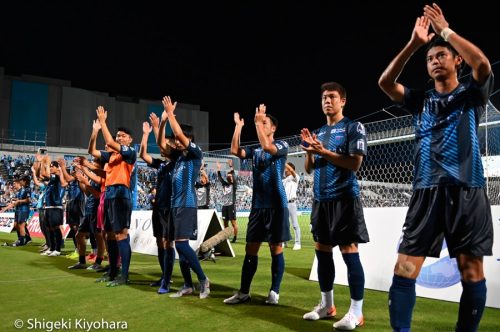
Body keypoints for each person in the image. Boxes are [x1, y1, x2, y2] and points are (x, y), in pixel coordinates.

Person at [378, 4, 494, 332]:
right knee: (403, 269)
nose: (434, 61)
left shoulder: (471, 94)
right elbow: (386, 82)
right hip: (425, 191)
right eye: (430, 58)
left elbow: (482, 64)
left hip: (466, 190)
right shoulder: (421, 101)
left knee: (471, 272)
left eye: (441, 55)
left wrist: (445, 32)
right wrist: (415, 45)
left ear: (457, 60)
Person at [300, 81, 369, 330]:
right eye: (323, 98)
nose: (327, 101)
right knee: (322, 253)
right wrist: (309, 150)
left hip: (344, 200)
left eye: (332, 97)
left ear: (343, 101)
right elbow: (309, 169)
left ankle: (356, 312)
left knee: (350, 254)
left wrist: (324, 151)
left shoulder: (353, 127)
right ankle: (327, 306)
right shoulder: (319, 131)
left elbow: (355, 164)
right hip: (321, 201)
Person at [224, 104, 290, 305]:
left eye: (265, 123)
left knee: (275, 249)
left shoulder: (281, 146)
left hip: (277, 206)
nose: (261, 125)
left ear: (273, 129)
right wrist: (238, 127)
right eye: (260, 123)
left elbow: (268, 147)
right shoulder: (255, 151)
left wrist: (257, 123)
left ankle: (274, 292)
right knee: (250, 250)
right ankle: (244, 292)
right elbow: (235, 150)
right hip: (257, 207)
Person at [158, 95, 210, 299]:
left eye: (179, 139)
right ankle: (188, 284)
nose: (175, 141)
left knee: (181, 244)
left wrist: (171, 114)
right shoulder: (178, 158)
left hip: (187, 205)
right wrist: (162, 122)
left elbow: (178, 133)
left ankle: (203, 279)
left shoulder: (195, 153)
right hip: (174, 206)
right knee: (181, 248)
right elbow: (161, 142)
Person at [89, 107, 136, 287]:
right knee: (109, 234)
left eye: (123, 135)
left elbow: (108, 139)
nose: (119, 137)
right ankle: (112, 272)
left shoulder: (130, 152)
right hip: (108, 194)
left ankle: (124, 275)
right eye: (118, 135)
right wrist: (94, 132)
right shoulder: (111, 155)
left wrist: (102, 121)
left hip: (121, 194)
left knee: (120, 235)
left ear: (130, 139)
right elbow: (92, 151)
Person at [139, 115, 178, 293]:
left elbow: (162, 143)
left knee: (167, 242)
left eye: (168, 144)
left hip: (170, 209)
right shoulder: (162, 165)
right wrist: (146, 134)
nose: (164, 146)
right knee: (159, 242)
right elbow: (143, 155)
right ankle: (164, 276)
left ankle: (168, 281)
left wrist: (159, 125)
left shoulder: (178, 163)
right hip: (158, 209)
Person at [216, 159, 238, 242]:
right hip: (224, 206)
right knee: (225, 223)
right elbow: (220, 177)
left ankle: (235, 238)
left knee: (233, 223)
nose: (229, 177)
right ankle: (226, 237)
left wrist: (231, 166)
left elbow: (233, 173)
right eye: (228, 176)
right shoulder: (225, 184)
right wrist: (218, 169)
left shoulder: (234, 185)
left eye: (230, 176)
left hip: (231, 205)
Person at [282, 162, 301, 250]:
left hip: (291, 203)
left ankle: (298, 243)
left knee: (295, 224)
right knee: (284, 224)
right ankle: (283, 242)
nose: (285, 171)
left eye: (287, 169)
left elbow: (292, 171)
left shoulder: (295, 177)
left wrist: (284, 162)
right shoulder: (284, 180)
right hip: (284, 203)